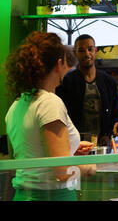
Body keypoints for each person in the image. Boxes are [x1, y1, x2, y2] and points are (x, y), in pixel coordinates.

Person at [4, 32, 96, 201]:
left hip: (23, 195)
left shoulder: (17, 104)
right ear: (59, 64)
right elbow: (62, 171)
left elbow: (32, 151)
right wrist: (88, 167)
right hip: (52, 196)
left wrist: (71, 146)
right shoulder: (49, 102)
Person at [56, 34, 118, 147]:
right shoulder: (67, 82)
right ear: (75, 52)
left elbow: (116, 115)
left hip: (103, 147)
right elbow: (61, 116)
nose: (87, 54)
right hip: (75, 146)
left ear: (95, 51)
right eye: (81, 50)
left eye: (90, 49)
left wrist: (109, 134)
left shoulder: (109, 82)